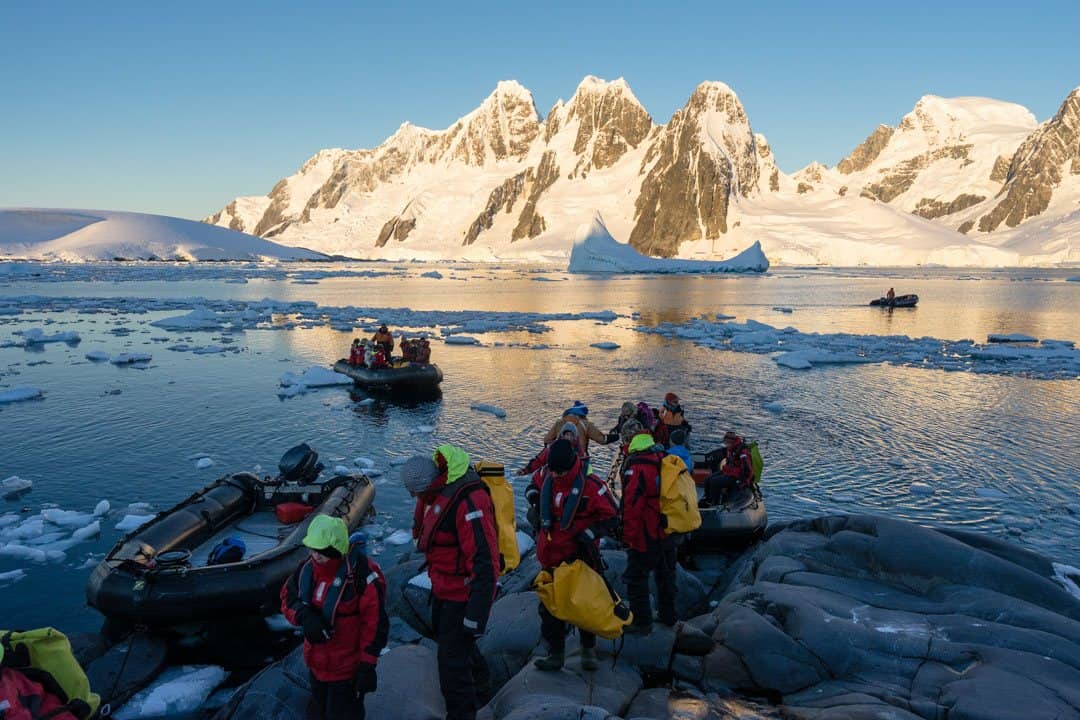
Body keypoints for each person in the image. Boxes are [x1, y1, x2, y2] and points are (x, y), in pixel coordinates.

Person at [401, 446, 498, 720]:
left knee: (451, 668)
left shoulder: (469, 503)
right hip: (443, 588)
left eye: (415, 493)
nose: (413, 498)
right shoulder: (437, 494)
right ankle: (482, 683)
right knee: (455, 646)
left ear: (428, 485)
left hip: (462, 595)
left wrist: (475, 616)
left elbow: (484, 562)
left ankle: (463, 713)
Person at [281, 515, 388, 720]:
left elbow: (375, 622)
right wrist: (304, 616)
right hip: (316, 665)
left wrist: (368, 664)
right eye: (313, 549)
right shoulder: (305, 571)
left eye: (322, 551)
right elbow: (287, 597)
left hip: (347, 670)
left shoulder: (361, 576)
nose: (316, 555)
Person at [525, 439, 618, 671]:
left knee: (584, 604)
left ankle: (588, 651)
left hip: (581, 556)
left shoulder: (592, 485)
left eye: (560, 471)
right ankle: (555, 655)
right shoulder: (547, 475)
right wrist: (535, 501)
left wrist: (589, 533)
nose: (555, 475)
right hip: (551, 557)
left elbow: (613, 517)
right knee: (549, 610)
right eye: (552, 471)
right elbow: (532, 486)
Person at [620, 431, 678, 634]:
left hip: (647, 533)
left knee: (636, 577)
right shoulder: (663, 460)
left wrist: (628, 537)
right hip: (667, 529)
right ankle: (668, 615)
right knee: (666, 575)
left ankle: (642, 622)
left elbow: (632, 506)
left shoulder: (637, 468)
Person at [704, 431, 755, 506]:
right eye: (725, 442)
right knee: (707, 479)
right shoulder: (730, 449)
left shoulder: (742, 452)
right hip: (728, 471)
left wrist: (742, 482)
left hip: (737, 476)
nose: (726, 444)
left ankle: (715, 504)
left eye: (727, 443)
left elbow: (748, 470)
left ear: (732, 442)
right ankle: (708, 500)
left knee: (715, 482)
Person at [543, 401, 608, 454]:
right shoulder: (586, 424)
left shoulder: (559, 422)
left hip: (560, 456)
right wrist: (616, 436)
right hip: (579, 458)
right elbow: (602, 440)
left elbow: (547, 440)